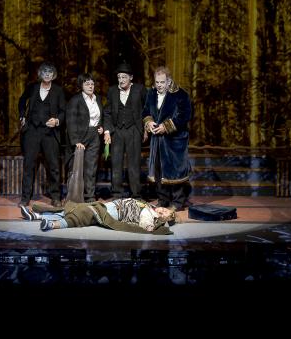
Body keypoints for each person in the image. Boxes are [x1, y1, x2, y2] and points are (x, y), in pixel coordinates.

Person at [142, 66, 192, 211]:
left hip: (174, 141)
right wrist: (149, 122)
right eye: (157, 82)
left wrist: (167, 126)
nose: (159, 85)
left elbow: (185, 115)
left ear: (169, 81)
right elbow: (146, 110)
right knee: (159, 171)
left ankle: (177, 202)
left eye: (162, 82)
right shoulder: (151, 93)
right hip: (157, 141)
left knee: (175, 172)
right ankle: (162, 199)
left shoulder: (181, 94)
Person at [17, 62, 66, 208]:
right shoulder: (32, 88)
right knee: (28, 165)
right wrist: (22, 116)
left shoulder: (58, 91)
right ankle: (25, 198)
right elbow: (21, 101)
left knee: (53, 167)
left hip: (50, 133)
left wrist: (57, 120)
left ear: (53, 75)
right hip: (32, 131)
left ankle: (56, 197)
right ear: (40, 74)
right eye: (45, 72)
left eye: (50, 73)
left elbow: (64, 111)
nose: (47, 75)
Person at [102, 62, 147, 199]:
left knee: (134, 164)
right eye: (119, 77)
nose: (121, 80)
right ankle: (117, 194)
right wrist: (108, 131)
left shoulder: (140, 90)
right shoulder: (112, 91)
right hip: (117, 131)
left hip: (134, 130)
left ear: (131, 77)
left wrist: (145, 129)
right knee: (116, 163)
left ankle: (136, 195)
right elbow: (107, 112)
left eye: (124, 77)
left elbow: (147, 110)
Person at [19, 198, 175, 235]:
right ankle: (37, 216)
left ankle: (53, 224)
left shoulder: (150, 214)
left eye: (164, 214)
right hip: (111, 205)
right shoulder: (150, 206)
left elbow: (146, 226)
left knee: (84, 213)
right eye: (164, 209)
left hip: (115, 212)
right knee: (77, 207)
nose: (162, 211)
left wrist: (156, 222)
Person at [64, 73, 107, 203]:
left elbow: (100, 116)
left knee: (91, 168)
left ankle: (90, 196)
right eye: (87, 83)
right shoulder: (75, 100)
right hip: (80, 136)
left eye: (92, 84)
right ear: (81, 85)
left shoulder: (97, 98)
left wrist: (101, 126)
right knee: (75, 167)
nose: (90, 86)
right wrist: (76, 140)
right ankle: (74, 197)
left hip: (94, 135)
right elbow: (70, 121)